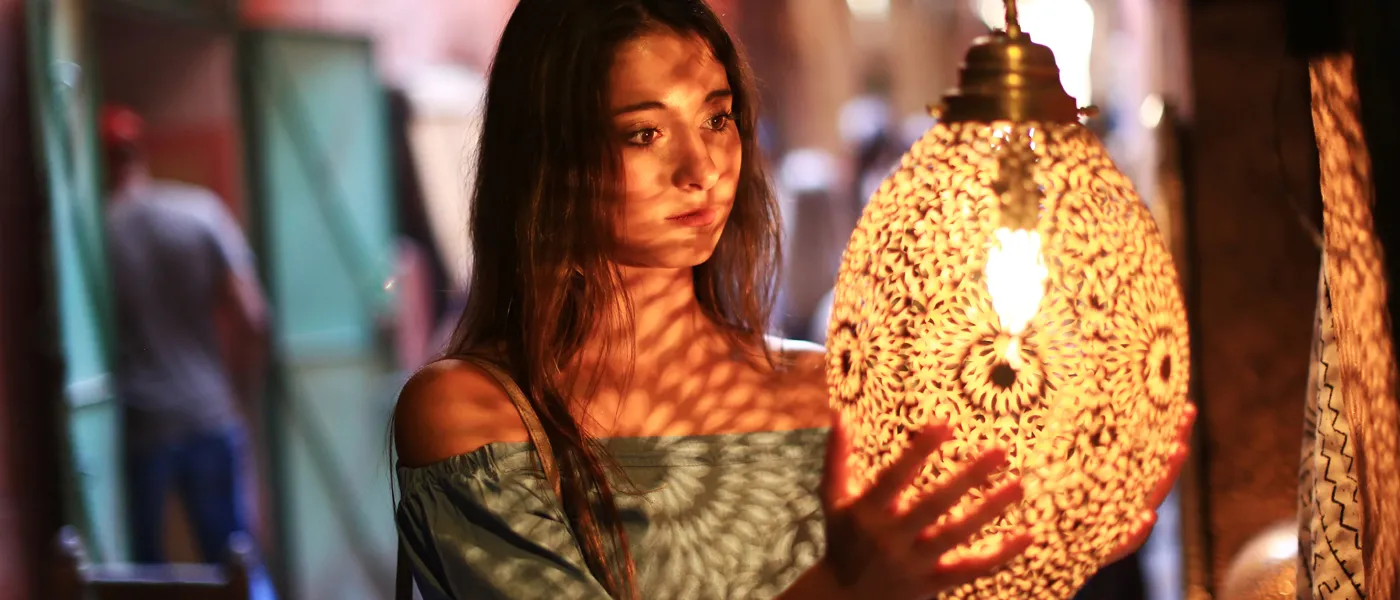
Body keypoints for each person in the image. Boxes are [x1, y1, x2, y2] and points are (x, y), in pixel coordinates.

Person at [391, 2, 1191, 599]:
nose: (700, 168)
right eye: (644, 133)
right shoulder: (479, 414)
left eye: (717, 118)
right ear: (553, 161)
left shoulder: (826, 390)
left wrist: (1065, 539)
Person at [100, 105, 269, 567]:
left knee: (144, 575)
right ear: (142, 152)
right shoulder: (201, 212)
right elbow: (253, 316)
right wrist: (235, 392)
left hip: (141, 423)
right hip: (206, 410)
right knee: (234, 561)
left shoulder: (95, 233)